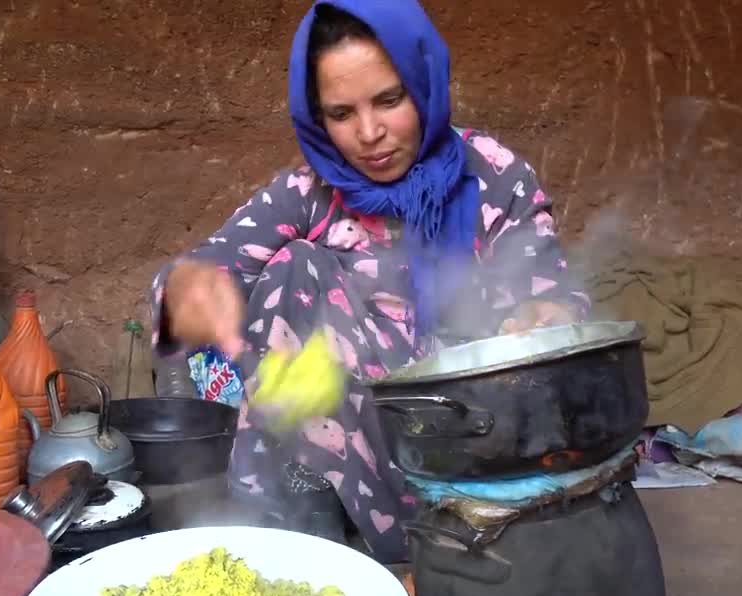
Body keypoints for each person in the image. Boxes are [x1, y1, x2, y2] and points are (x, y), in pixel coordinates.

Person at [150, 0, 589, 564]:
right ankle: (301, 537)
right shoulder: (309, 192)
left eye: (390, 99)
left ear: (424, 83)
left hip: (473, 432)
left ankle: (447, 543)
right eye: (340, 113)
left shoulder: (493, 177)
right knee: (295, 266)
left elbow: (553, 290)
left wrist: (544, 316)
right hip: (349, 434)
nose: (369, 133)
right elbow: (203, 268)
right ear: (317, 119)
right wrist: (185, 288)